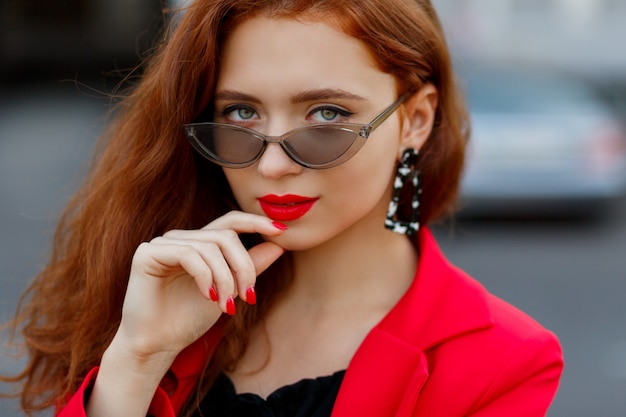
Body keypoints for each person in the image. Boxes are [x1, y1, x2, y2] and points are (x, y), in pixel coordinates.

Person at [1, 0, 563, 416]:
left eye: (324, 115)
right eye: (242, 115)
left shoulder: (504, 361)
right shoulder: (165, 294)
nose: (271, 167)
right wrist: (138, 356)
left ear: (415, 119)